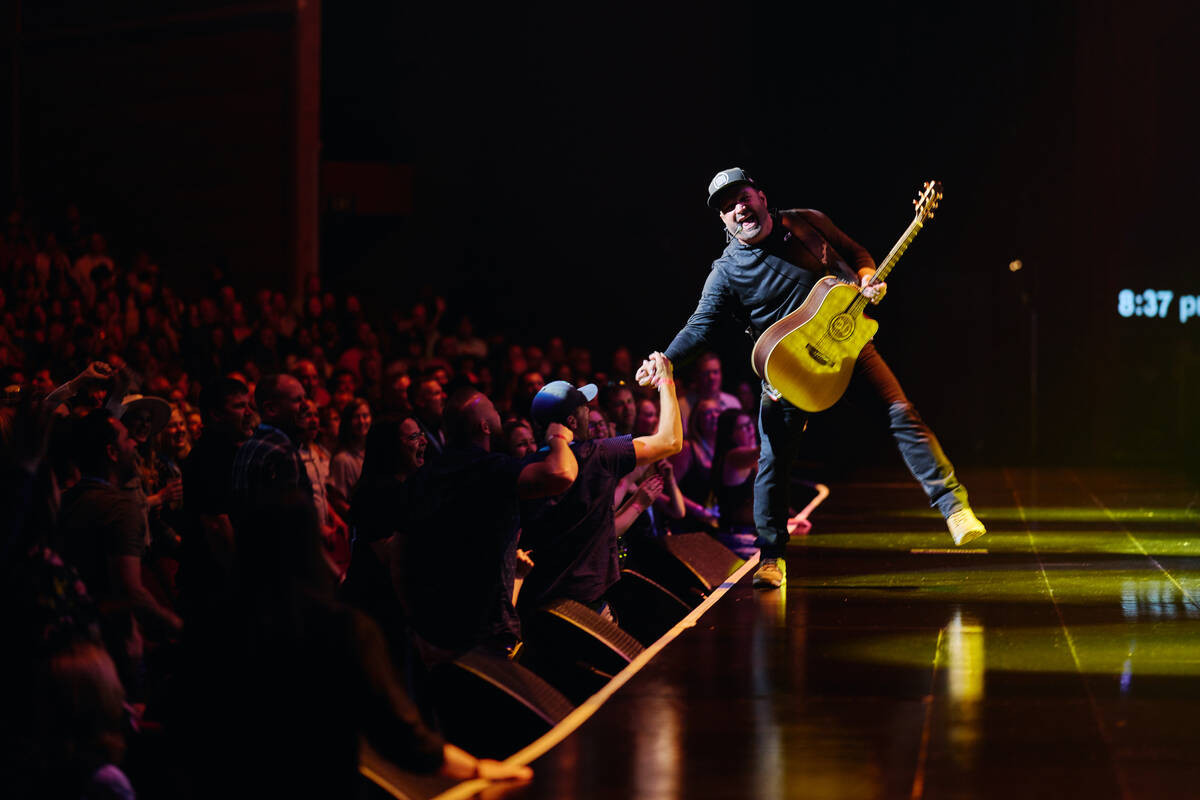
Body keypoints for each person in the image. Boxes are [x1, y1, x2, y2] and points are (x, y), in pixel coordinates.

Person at [638, 167, 985, 590]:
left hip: (847, 345)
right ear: (723, 221)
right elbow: (700, 325)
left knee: (902, 412)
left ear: (762, 197)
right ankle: (771, 557)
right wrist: (667, 359)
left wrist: (864, 279)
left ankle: (953, 508)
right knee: (773, 459)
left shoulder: (806, 222)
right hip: (789, 368)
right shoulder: (726, 271)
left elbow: (857, 254)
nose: (738, 209)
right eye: (728, 208)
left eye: (743, 198)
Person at [518, 353, 682, 618]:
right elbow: (671, 441)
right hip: (586, 608)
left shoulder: (526, 468)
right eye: (584, 407)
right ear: (571, 422)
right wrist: (666, 382)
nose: (589, 411)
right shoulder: (598, 454)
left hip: (538, 607)